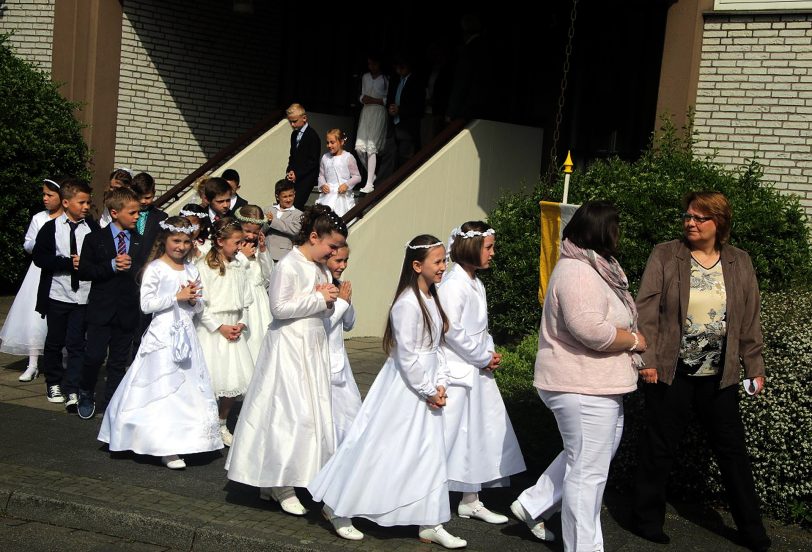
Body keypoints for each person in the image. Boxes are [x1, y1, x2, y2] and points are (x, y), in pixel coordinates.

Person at [632, 192, 771, 552]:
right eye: (687, 216)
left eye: (699, 217)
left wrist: (754, 366)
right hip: (670, 371)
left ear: (718, 223)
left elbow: (749, 322)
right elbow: (645, 311)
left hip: (719, 376)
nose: (690, 223)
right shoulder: (666, 255)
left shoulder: (739, 262)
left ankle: (752, 530)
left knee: (732, 452)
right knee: (658, 448)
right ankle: (647, 521)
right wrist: (646, 361)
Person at [309, 235, 468, 549]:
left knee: (429, 453)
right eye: (437, 262)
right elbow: (408, 356)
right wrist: (427, 389)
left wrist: (442, 382)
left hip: (427, 385)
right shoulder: (406, 304)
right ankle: (338, 507)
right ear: (416, 265)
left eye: (443, 261)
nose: (442, 267)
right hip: (406, 389)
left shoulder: (433, 299)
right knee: (378, 448)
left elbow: (437, 348)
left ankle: (430, 520)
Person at [511, 201, 645, 551]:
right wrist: (633, 340)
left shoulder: (597, 265)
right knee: (587, 475)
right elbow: (591, 330)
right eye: (616, 226)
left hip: (596, 384)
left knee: (583, 461)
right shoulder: (578, 271)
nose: (620, 233)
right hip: (582, 386)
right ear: (601, 229)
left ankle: (534, 503)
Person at [226, 205, 345, 516]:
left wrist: (328, 301)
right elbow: (279, 308)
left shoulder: (320, 267)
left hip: (312, 345)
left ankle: (300, 471)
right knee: (288, 411)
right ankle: (280, 482)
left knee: (310, 410)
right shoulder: (289, 265)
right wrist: (320, 298)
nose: (333, 253)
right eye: (331, 246)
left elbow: (324, 310)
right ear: (314, 237)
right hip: (290, 346)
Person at [98, 216, 222, 470]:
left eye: (187, 241)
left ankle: (188, 440)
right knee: (162, 385)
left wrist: (192, 300)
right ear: (164, 240)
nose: (181, 246)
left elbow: (199, 304)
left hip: (186, 336)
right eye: (176, 240)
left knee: (187, 387)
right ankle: (163, 445)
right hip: (163, 335)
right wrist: (176, 296)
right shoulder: (155, 268)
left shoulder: (191, 269)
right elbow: (147, 304)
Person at [439, 222, 525, 524]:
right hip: (459, 370)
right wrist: (481, 356)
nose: (493, 252)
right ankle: (431, 499)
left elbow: (479, 326)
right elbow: (452, 330)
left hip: (476, 368)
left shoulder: (474, 281)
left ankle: (470, 498)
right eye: (489, 247)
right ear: (472, 248)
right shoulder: (453, 284)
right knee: (451, 435)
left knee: (476, 433)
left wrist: (488, 351)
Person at [76, 187, 145, 419]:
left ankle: (112, 402)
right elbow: (84, 270)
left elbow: (144, 271)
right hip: (101, 309)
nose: (137, 216)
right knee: (94, 356)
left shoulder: (139, 241)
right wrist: (111, 266)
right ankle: (85, 390)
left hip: (126, 310)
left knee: (118, 361)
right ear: (115, 213)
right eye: (133, 212)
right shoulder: (95, 239)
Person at [32, 178, 99, 408]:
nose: (86, 207)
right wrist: (66, 263)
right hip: (58, 294)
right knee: (54, 341)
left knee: (77, 343)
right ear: (67, 202)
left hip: (83, 295)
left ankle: (73, 387)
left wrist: (87, 262)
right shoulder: (51, 228)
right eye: (81, 202)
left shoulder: (91, 227)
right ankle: (54, 381)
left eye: (88, 202)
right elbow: (40, 258)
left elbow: (99, 254)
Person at [194, 218, 254, 446]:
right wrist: (219, 327)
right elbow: (201, 305)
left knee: (233, 380)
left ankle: (222, 422)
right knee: (210, 380)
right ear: (220, 241)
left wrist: (242, 322)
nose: (240, 246)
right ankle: (204, 426)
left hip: (233, 327)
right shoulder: (204, 267)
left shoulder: (239, 265)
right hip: (213, 331)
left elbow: (246, 301)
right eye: (237, 242)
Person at [0, 179, 64, 381]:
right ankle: (33, 362)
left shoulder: (68, 219)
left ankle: (63, 359)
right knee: (35, 317)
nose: (45, 198)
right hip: (39, 271)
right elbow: (28, 243)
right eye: (43, 194)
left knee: (61, 315)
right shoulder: (39, 218)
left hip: (61, 271)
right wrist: (39, 244)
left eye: (49, 195)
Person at [324, 244, 361, 446]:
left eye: (346, 260)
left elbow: (349, 324)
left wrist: (347, 302)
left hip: (339, 357)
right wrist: (342, 303)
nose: (343, 265)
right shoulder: (320, 286)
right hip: (323, 355)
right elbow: (322, 326)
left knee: (350, 409)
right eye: (338, 260)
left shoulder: (338, 284)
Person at [234, 204, 274, 360]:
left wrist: (263, 251)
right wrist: (242, 255)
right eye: (247, 231)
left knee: (261, 338)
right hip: (243, 300)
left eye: (255, 233)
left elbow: (269, 276)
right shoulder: (234, 250)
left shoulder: (258, 249)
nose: (251, 236)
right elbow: (233, 273)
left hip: (260, 303)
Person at [355, 54, 389, 193]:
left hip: (379, 112)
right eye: (369, 64)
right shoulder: (365, 77)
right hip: (366, 112)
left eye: (374, 64)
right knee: (359, 147)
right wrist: (364, 99)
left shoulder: (386, 78)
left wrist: (375, 100)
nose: (371, 67)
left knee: (371, 147)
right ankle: (372, 174)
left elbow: (387, 99)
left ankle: (369, 183)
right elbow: (362, 95)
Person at [387, 56, 425, 169]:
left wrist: (401, 110)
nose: (399, 71)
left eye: (402, 68)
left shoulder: (416, 82)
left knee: (406, 158)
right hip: (394, 124)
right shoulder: (396, 80)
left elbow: (418, 107)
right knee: (392, 156)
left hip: (408, 126)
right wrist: (390, 108)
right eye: (397, 68)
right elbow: (390, 98)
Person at [316, 129, 361, 217]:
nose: (329, 145)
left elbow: (357, 176)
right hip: (328, 195)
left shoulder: (348, 157)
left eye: (332, 142)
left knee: (340, 215)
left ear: (341, 142)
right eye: (327, 142)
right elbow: (321, 175)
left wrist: (346, 184)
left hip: (342, 194)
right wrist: (322, 185)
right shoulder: (325, 157)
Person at [285, 103, 321, 211]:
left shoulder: (312, 136)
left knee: (296, 205)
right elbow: (292, 155)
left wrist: (298, 174)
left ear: (304, 118)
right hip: (293, 175)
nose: (292, 124)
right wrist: (290, 171)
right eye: (290, 121)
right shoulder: (294, 135)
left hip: (306, 177)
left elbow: (313, 162)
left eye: (295, 121)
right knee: (284, 200)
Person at [130, 172, 168, 256]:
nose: (143, 201)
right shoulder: (126, 214)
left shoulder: (161, 217)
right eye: (139, 197)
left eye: (147, 197)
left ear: (154, 193)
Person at [264, 179, 302, 262]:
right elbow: (261, 229)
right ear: (277, 196)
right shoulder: (268, 210)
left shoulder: (298, 214)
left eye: (290, 196)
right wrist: (266, 222)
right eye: (285, 197)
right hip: (265, 250)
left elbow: (295, 230)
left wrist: (272, 221)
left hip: (283, 254)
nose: (288, 199)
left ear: (294, 194)